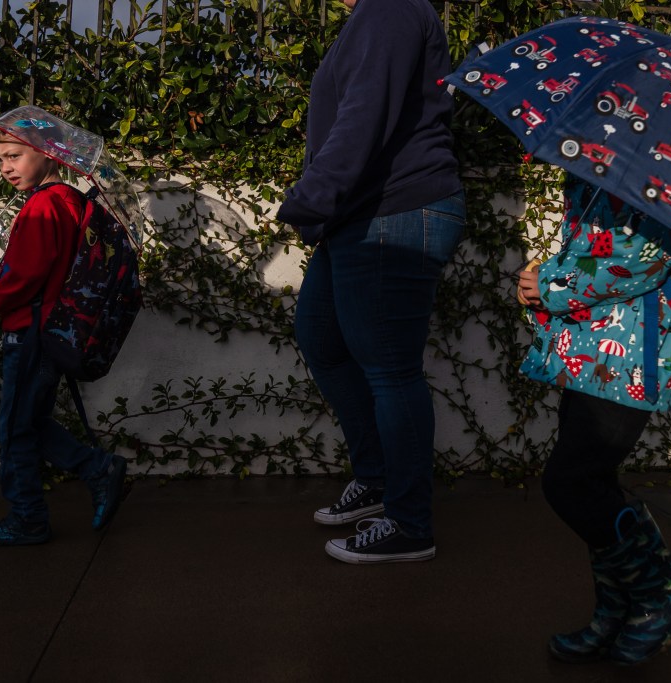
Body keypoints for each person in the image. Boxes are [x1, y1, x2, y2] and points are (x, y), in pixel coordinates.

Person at [276, 0, 465, 563]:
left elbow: (366, 113)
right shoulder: (375, 15)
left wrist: (312, 196)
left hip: (398, 209)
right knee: (323, 339)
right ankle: (379, 480)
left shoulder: (391, 8)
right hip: (359, 215)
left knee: (389, 368)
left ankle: (409, 524)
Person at [516, 174, 671, 665]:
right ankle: (618, 609)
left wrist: (549, 283)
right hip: (585, 356)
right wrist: (542, 272)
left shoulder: (665, 170)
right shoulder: (600, 169)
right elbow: (586, 247)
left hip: (628, 362)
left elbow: (643, 257)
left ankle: (662, 592)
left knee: (570, 484)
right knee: (594, 484)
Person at [0, 128, 127, 546]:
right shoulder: (70, 200)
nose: (6, 168)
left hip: (31, 333)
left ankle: (28, 518)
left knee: (14, 429)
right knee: (29, 420)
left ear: (49, 155)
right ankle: (98, 469)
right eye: (0, 160)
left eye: (15, 156)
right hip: (52, 330)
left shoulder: (43, 206)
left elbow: (24, 278)